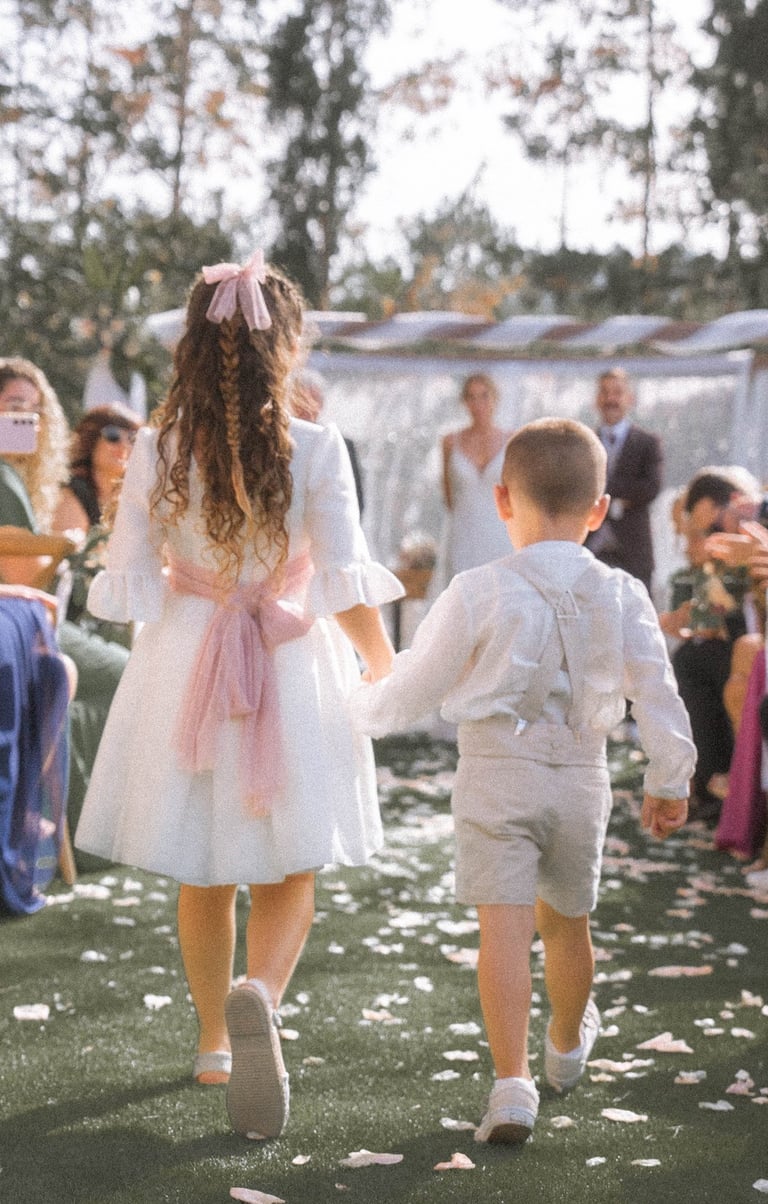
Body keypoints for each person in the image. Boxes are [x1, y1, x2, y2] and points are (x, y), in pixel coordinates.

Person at [74, 251, 403, 1139]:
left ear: (192, 345)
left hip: (187, 655)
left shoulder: (156, 448)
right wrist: (384, 667)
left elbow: (129, 577)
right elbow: (341, 583)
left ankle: (216, 1041)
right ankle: (261, 991)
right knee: (292, 864)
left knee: (202, 866)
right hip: (291, 658)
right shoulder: (319, 447)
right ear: (284, 348)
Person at [354, 417, 694, 1146]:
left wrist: (358, 711)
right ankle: (566, 1043)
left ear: (503, 499)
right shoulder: (625, 592)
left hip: (493, 775)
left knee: (503, 932)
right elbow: (656, 692)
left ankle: (511, 1085)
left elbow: (417, 684)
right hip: (581, 777)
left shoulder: (477, 590)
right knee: (568, 922)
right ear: (599, 509)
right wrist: (670, 778)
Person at [0, 358, 130, 846]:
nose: (27, 420)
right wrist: (63, 548)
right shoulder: (4, 477)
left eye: (35, 410)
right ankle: (76, 821)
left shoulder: (13, 474)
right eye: (14, 406)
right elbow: (25, 583)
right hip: (21, 621)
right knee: (123, 675)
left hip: (28, 616)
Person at [665, 467, 761, 824]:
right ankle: (708, 784)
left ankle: (727, 788)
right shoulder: (714, 556)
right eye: (702, 530)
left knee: (715, 659)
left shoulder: (756, 531)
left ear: (739, 503)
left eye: (714, 527)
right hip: (739, 642)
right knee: (692, 656)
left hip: (751, 645)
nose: (709, 539)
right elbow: (710, 609)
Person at [584, 367, 663, 592]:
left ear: (630, 398)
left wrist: (602, 490)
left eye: (617, 392)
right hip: (590, 546)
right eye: (604, 392)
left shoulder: (647, 442)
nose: (611, 399)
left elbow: (650, 488)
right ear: (597, 399)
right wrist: (625, 494)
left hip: (633, 549)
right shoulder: (584, 441)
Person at [433, 372, 512, 590]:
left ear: (495, 398)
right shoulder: (450, 441)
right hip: (463, 532)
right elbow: (448, 494)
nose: (478, 403)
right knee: (461, 592)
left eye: (484, 395)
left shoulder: (511, 439)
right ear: (464, 401)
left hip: (500, 534)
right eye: (471, 396)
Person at [290, 370, 364, 513]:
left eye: (314, 400)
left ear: (321, 404)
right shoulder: (277, 443)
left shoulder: (340, 444)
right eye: (302, 400)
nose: (308, 407)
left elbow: (355, 501)